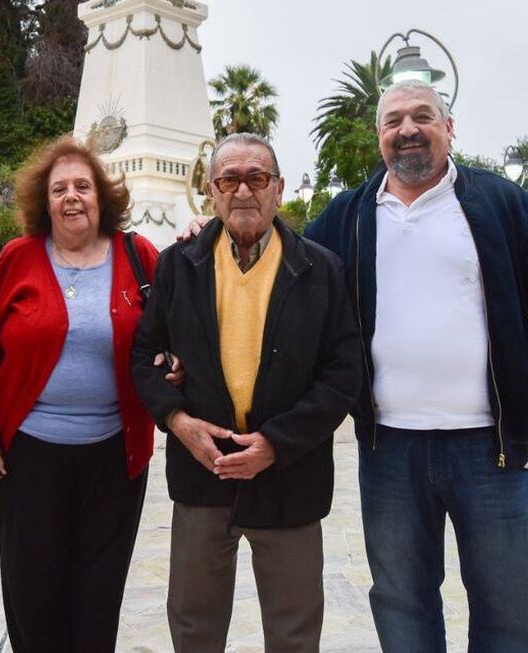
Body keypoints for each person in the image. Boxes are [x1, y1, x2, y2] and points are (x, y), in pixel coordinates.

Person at [304, 79, 528, 652]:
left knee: (505, 606)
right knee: (401, 600)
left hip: (493, 449)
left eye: (422, 117)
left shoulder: (503, 203)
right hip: (389, 450)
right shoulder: (350, 215)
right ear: (379, 136)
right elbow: (285, 276)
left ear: (448, 127)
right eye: (393, 121)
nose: (407, 129)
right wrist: (204, 237)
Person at [132, 132, 362, 652]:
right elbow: (144, 357)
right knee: (194, 625)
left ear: (278, 188)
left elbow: (344, 374)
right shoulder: (178, 265)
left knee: (294, 631)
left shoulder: (321, 270)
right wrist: (178, 422)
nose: (243, 191)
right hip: (202, 471)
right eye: (229, 179)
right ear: (211, 191)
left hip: (289, 476)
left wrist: (276, 444)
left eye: (256, 178)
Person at [0, 135, 168, 652]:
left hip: (114, 456)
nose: (72, 197)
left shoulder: (138, 254)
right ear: (45, 201)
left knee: (98, 597)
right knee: (34, 596)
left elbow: (173, 330)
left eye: (83, 185)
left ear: (102, 197)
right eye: (60, 189)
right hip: (30, 456)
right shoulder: (17, 259)